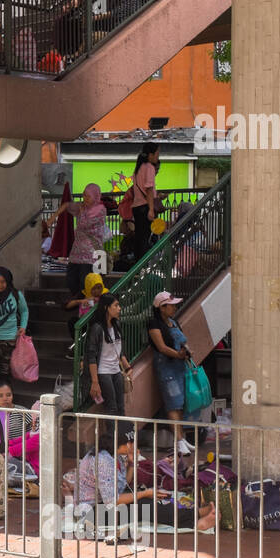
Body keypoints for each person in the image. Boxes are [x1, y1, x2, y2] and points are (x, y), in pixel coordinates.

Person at [55, 182, 109, 299]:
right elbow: (66, 205)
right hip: (76, 253)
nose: (85, 198)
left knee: (86, 283)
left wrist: (80, 210)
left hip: (92, 254)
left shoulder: (100, 209)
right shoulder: (81, 207)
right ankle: (81, 305)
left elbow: (85, 224)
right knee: (71, 280)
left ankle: (87, 307)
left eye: (88, 196)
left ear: (95, 196)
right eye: (84, 195)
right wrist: (51, 218)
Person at [84, 293, 131, 416]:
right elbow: (92, 356)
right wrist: (95, 382)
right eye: (116, 305)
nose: (119, 308)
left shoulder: (117, 324)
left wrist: (128, 367)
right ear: (106, 308)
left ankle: (121, 434)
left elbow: (119, 350)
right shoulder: (97, 328)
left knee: (121, 406)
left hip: (116, 371)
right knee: (111, 407)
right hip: (103, 373)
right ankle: (112, 435)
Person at [148, 291, 192, 421]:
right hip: (168, 369)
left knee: (182, 402)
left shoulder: (174, 322)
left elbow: (183, 341)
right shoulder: (154, 324)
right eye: (171, 305)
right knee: (174, 404)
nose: (174, 308)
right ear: (161, 307)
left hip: (181, 367)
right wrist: (178, 355)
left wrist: (187, 352)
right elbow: (162, 347)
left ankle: (182, 437)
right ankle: (179, 440)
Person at [128, 143, 159, 268]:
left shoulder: (138, 168)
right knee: (145, 239)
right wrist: (151, 209)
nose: (157, 157)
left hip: (136, 207)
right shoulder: (149, 167)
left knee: (139, 238)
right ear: (150, 155)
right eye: (157, 154)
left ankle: (137, 266)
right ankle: (143, 267)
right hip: (145, 207)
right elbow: (149, 189)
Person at [63, 271, 104, 357]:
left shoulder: (105, 295)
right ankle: (80, 347)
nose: (97, 291)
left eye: (99, 287)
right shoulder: (83, 294)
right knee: (73, 322)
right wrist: (81, 301)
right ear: (89, 287)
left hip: (99, 322)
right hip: (84, 320)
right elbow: (66, 306)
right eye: (94, 288)